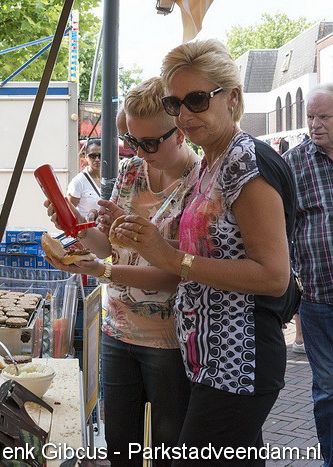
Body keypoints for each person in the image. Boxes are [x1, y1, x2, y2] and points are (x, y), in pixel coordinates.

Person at [113, 39, 295, 464]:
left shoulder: (244, 162)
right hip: (209, 357)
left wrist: (170, 258)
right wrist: (144, 243)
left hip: (238, 360)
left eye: (196, 99)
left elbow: (273, 275)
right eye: (174, 103)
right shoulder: (215, 161)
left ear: (232, 98)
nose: (184, 115)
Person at [46, 77, 199, 466]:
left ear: (181, 132)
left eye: (150, 143)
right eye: (132, 141)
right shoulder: (131, 171)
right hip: (117, 328)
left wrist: (104, 271)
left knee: (168, 450)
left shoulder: (199, 183)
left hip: (169, 339)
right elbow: (111, 247)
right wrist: (76, 226)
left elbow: (177, 273)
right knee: (119, 445)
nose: (140, 152)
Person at [283, 83, 333, 467]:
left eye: (324, 117)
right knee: (328, 388)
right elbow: (280, 228)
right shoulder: (294, 164)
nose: (315, 124)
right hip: (318, 299)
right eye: (311, 117)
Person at [67, 138, 102, 218]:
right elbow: (69, 211)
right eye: (92, 156)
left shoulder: (112, 179)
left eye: (101, 155)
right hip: (87, 225)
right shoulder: (78, 181)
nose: (97, 159)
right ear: (86, 156)